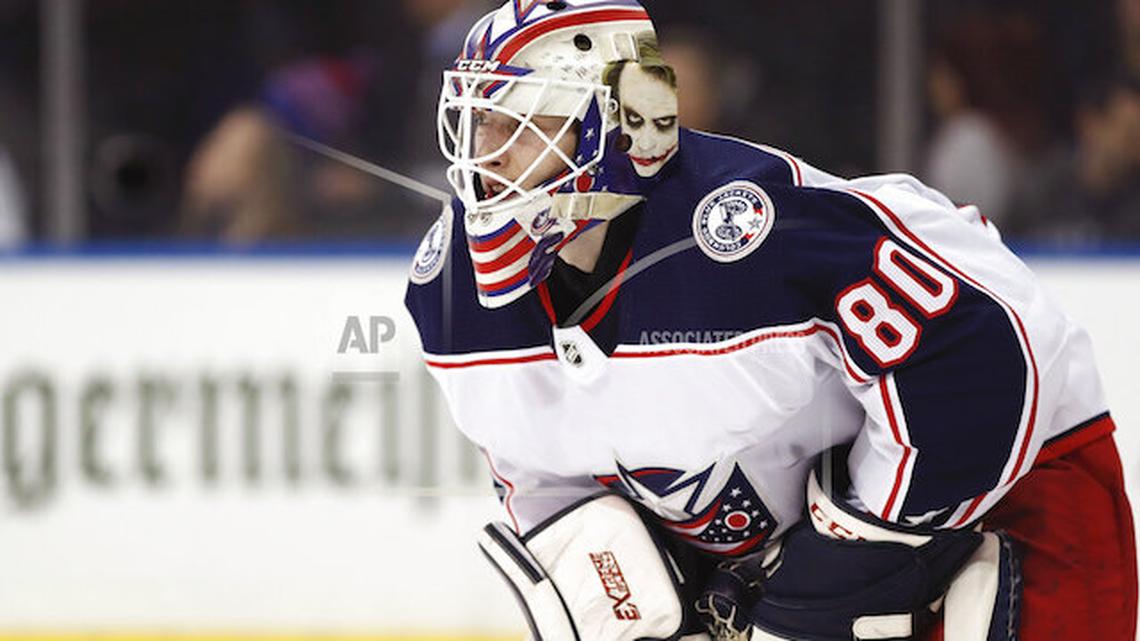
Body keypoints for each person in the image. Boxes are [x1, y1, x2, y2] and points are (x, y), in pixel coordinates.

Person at [405, 1, 1136, 639]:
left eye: (521, 124)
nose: (485, 162)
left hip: (1014, 452)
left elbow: (979, 353)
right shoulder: (452, 299)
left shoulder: (741, 235)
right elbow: (542, 461)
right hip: (794, 505)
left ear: (613, 124)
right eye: (478, 123)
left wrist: (846, 562)